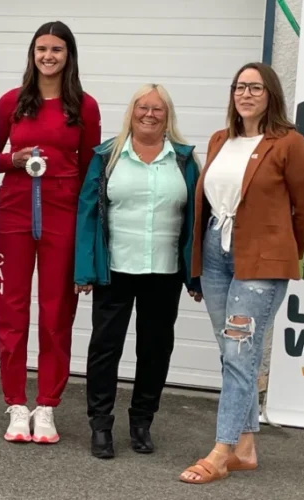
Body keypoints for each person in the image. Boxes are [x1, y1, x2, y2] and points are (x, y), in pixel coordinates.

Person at [179, 62, 304, 484]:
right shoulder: (222, 139)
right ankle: (245, 448)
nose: (246, 94)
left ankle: (220, 452)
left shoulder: (290, 143)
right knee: (233, 354)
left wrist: (280, 250)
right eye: (240, 87)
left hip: (261, 263)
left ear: (271, 94)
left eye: (255, 87)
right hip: (217, 257)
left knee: (240, 353)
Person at [74, 83, 202, 459]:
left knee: (156, 349)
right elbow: (87, 215)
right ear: (131, 112)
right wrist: (84, 269)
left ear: (168, 116)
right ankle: (100, 425)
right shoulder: (107, 156)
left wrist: (194, 275)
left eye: (157, 109)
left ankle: (142, 421)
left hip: (164, 272)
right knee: (104, 349)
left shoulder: (184, 160)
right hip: (115, 270)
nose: (149, 114)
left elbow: (196, 220)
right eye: (142, 107)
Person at [0, 20, 102, 444]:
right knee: (12, 312)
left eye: (57, 49)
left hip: (63, 217)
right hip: (13, 214)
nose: (48, 56)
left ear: (68, 55)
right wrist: (12, 161)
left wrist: (90, 231)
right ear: (32, 54)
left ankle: (47, 406)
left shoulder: (85, 106)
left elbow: (93, 168)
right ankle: (16, 405)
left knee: (57, 314)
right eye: (41, 49)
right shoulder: (12, 102)